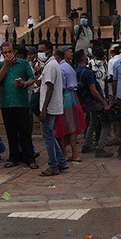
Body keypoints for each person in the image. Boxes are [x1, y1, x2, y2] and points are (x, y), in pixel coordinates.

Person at [0, 42, 38, 169]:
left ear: (14, 52)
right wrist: (5, 66)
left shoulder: (23, 64)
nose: (8, 54)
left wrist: (24, 84)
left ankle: (29, 158)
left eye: (10, 52)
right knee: (11, 132)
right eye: (5, 52)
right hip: (7, 103)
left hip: (22, 102)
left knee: (25, 132)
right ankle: (14, 157)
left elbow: (32, 78)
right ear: (2, 53)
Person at [74, 49, 113, 157]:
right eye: (85, 56)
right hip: (95, 101)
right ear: (83, 58)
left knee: (93, 121)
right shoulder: (88, 72)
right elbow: (94, 90)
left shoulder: (76, 72)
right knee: (106, 123)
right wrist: (104, 103)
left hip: (87, 102)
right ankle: (100, 147)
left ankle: (86, 144)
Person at [38, 44, 69, 176]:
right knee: (49, 134)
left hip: (49, 107)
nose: (39, 54)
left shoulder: (51, 65)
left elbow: (50, 87)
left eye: (41, 51)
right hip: (52, 105)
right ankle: (61, 161)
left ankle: (53, 165)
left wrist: (44, 110)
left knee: (47, 136)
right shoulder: (52, 64)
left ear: (48, 51)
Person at [55, 45, 87, 162]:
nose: (71, 54)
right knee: (71, 126)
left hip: (65, 97)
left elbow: (61, 87)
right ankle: (74, 153)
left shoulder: (61, 68)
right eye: (69, 52)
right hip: (72, 97)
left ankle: (65, 154)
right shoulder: (68, 67)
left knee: (63, 126)